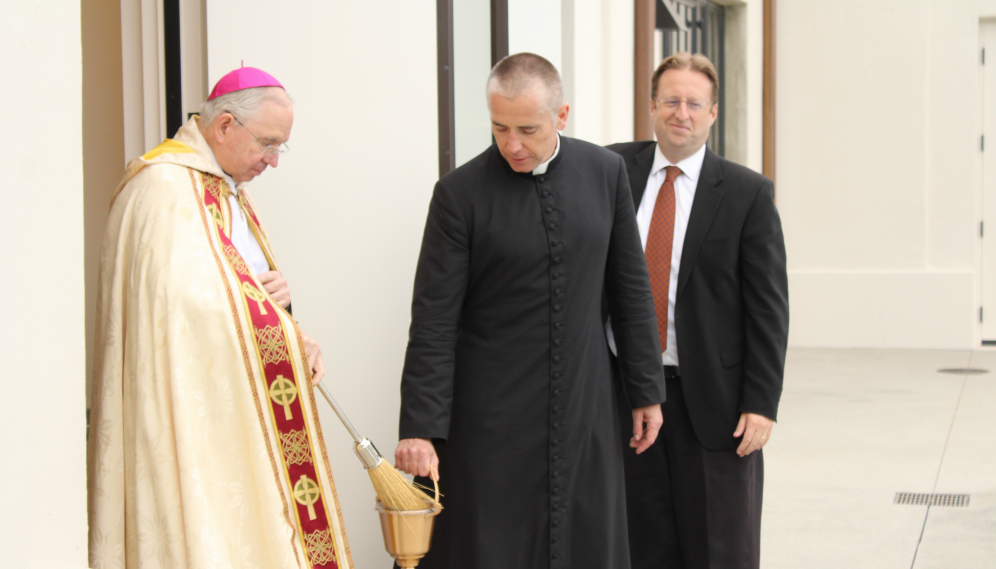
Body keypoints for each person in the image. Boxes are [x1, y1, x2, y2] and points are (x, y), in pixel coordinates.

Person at [393, 52, 666, 569]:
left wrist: (647, 389)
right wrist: (420, 427)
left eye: (527, 129)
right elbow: (432, 320)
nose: (512, 145)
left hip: (585, 409)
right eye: (499, 128)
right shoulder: (459, 195)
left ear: (561, 117)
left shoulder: (606, 173)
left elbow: (630, 291)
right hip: (488, 423)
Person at [87, 67, 352, 569]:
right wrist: (277, 330)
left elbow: (237, 292)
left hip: (229, 408)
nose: (274, 161)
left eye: (281, 148)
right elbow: (183, 310)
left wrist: (284, 312)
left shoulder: (220, 188)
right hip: (184, 412)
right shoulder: (164, 191)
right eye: (269, 144)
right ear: (226, 126)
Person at [605, 52, 789, 569]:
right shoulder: (611, 170)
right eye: (670, 100)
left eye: (693, 103)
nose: (680, 112)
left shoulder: (747, 194)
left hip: (713, 400)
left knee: (718, 546)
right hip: (624, 392)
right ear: (651, 106)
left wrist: (762, 401)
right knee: (639, 541)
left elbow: (769, 309)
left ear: (712, 113)